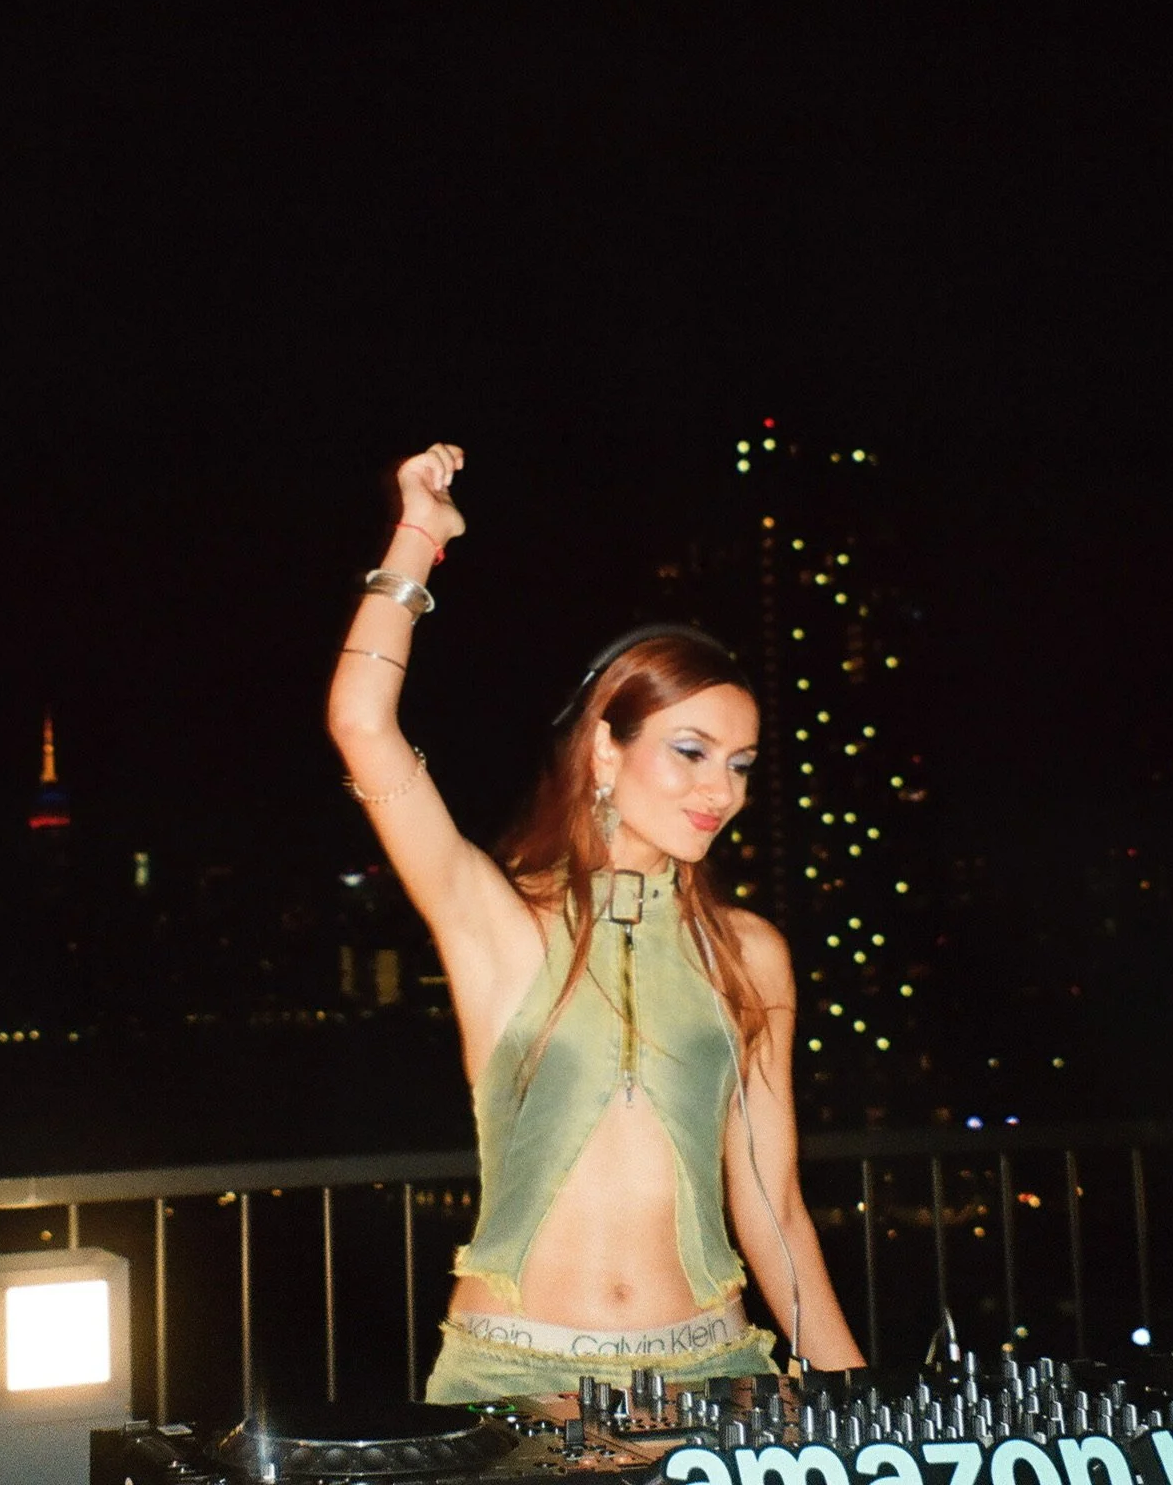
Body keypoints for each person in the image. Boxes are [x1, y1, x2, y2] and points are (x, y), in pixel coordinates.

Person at [326, 443, 865, 1402]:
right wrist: (418, 536)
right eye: (693, 752)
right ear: (605, 754)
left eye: (740, 765)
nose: (720, 791)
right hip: (515, 1376)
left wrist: (850, 1394)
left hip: (717, 1371)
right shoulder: (501, 920)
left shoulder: (748, 954)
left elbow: (771, 1200)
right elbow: (363, 721)